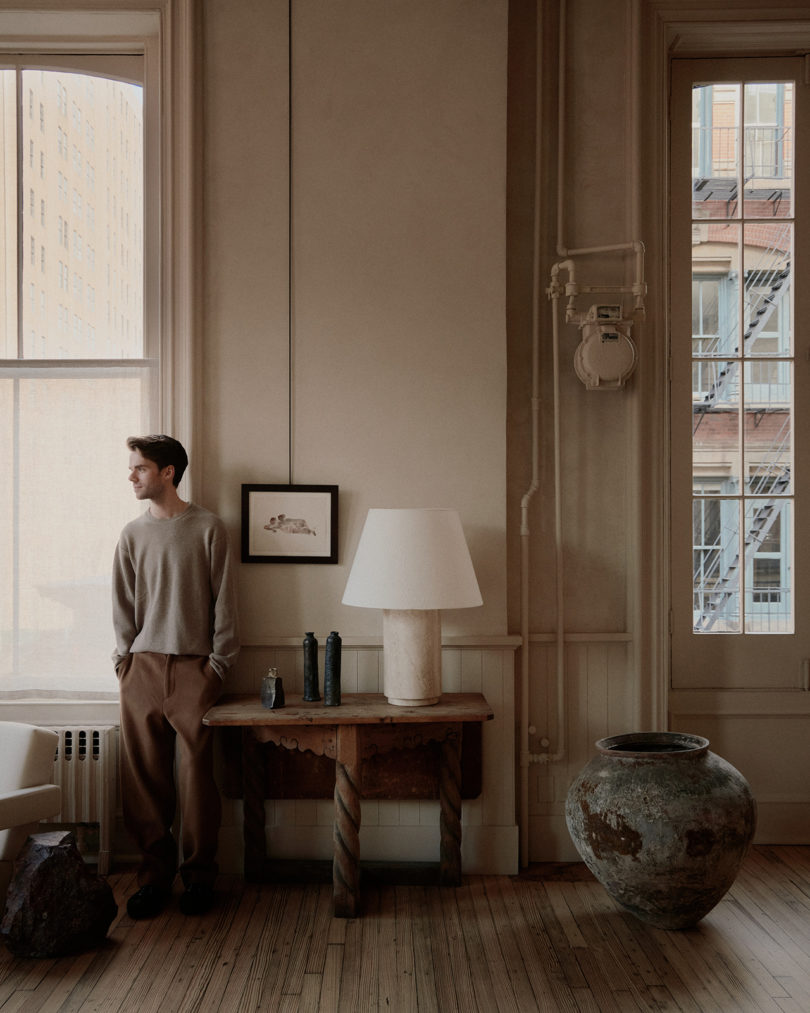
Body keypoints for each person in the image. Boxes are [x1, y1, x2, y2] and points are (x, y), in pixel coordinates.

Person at [112, 435, 239, 919]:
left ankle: (200, 878)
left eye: (140, 468)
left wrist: (218, 665)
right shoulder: (131, 534)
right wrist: (124, 661)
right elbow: (122, 603)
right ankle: (153, 879)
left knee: (195, 779)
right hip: (141, 668)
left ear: (168, 472)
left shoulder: (208, 528)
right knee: (143, 780)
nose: (132, 476)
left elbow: (225, 601)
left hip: (194, 668)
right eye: (133, 468)